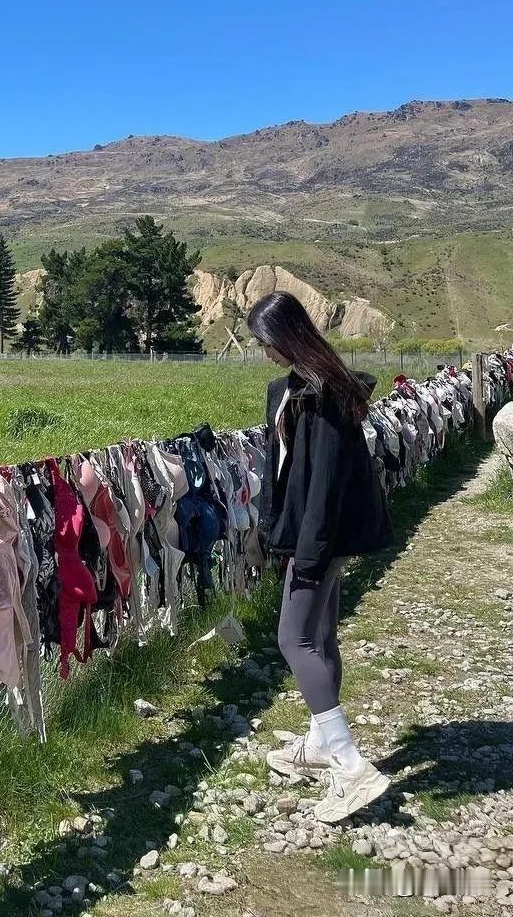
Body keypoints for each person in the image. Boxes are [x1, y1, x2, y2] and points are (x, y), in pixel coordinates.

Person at [247, 291, 394, 823]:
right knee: (322, 634)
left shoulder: (326, 396)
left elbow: (327, 486)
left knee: (294, 639)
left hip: (321, 537)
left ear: (286, 337)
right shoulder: (290, 390)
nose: (263, 352)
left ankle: (350, 765)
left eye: (265, 342)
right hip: (311, 534)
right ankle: (317, 744)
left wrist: (307, 555)